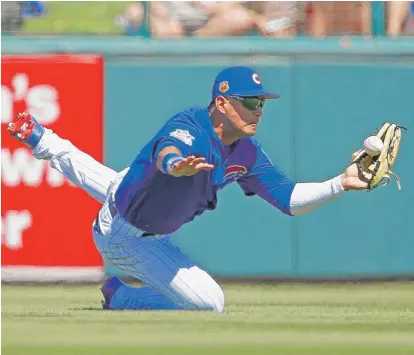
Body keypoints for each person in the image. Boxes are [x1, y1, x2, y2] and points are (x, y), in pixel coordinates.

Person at [9, 66, 368, 312]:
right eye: (251, 102)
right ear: (223, 103)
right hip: (128, 236)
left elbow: (289, 199)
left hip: (134, 196)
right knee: (210, 304)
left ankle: (43, 139)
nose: (259, 111)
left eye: (262, 104)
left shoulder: (247, 152)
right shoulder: (192, 125)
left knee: (115, 180)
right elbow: (168, 148)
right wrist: (174, 166)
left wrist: (340, 183)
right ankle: (123, 297)